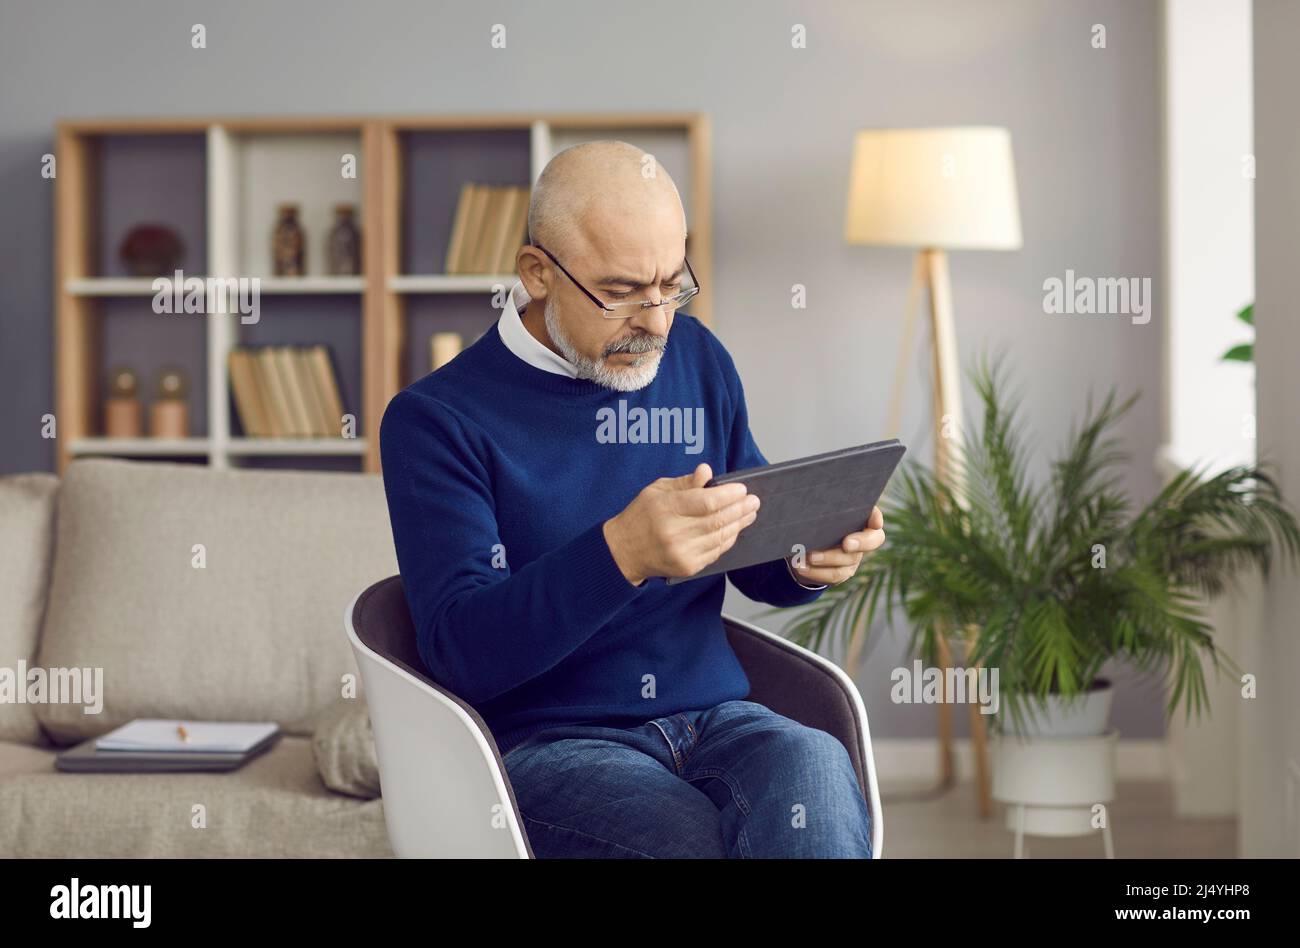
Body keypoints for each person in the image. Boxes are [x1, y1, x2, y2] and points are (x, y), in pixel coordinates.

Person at [379, 140, 885, 858]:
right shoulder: (436, 421)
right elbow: (461, 650)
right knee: (695, 844)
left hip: (717, 717)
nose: (655, 322)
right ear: (537, 274)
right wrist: (621, 553)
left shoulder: (696, 358)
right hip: (550, 744)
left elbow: (746, 540)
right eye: (620, 292)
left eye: (671, 283)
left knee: (818, 778)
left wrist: (808, 554)